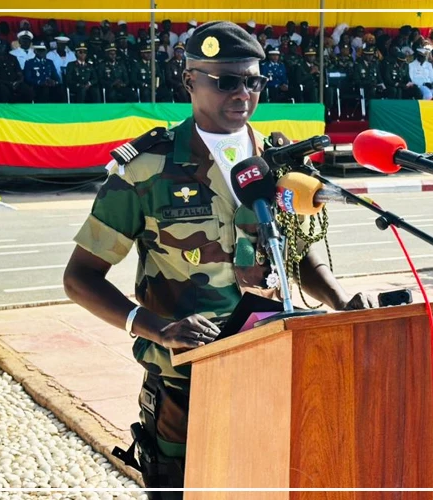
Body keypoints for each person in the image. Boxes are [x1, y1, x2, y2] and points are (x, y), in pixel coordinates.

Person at [63, 22, 374, 497]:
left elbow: (296, 250)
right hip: (188, 378)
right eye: (226, 81)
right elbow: (80, 278)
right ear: (190, 81)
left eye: (252, 81)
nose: (243, 94)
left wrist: (337, 298)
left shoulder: (278, 161)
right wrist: (154, 327)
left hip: (273, 364)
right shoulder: (147, 169)